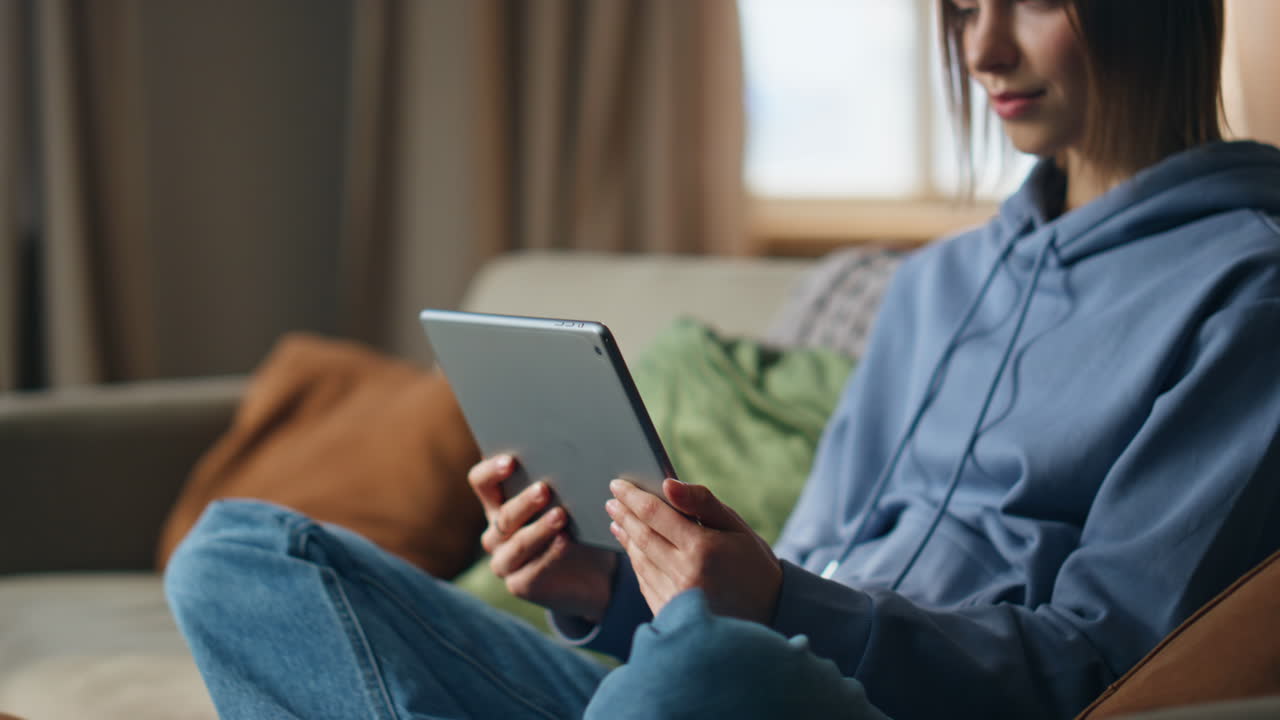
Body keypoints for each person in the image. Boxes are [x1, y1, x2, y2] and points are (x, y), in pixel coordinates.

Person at [165, 1, 1280, 718]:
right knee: (241, 558)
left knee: (707, 671)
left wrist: (773, 608)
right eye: (959, 7)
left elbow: (1113, 669)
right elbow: (805, 565)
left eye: (1030, 2)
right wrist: (608, 593)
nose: (981, 50)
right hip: (724, 687)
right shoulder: (935, 283)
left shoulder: (1246, 293)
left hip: (840, 702)